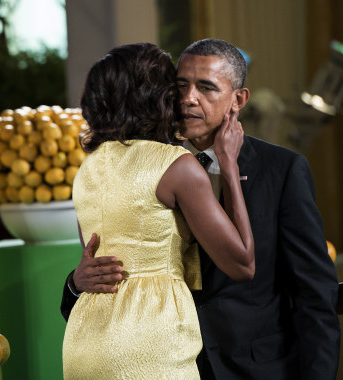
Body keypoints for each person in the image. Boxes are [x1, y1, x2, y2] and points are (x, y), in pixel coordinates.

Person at [60, 38, 341, 380]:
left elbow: (314, 294)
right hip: (164, 362)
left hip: (257, 369)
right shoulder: (141, 163)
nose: (188, 98)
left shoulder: (282, 170)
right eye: (180, 85)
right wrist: (77, 283)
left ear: (238, 99)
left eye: (206, 87)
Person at [62, 42, 255, 379]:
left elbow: (97, 261)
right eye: (174, 87)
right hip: (148, 341)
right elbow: (242, 264)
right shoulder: (176, 166)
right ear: (156, 96)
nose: (183, 98)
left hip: (84, 341)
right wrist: (229, 165)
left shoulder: (87, 170)